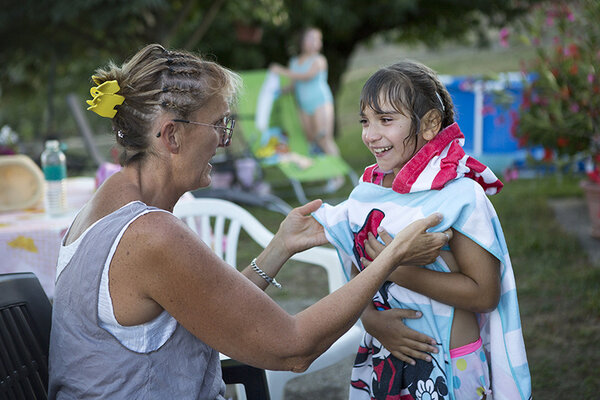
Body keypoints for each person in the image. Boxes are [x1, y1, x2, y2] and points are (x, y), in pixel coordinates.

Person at [47, 44, 451, 399]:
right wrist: (392, 255)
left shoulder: (103, 206)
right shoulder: (151, 234)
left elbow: (205, 303)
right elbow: (292, 348)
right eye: (220, 125)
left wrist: (280, 248)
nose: (224, 141)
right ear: (172, 136)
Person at [312, 60, 532, 399]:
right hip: (384, 359)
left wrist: (397, 270)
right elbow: (357, 272)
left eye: (385, 120)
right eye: (365, 121)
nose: (370, 134)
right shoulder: (368, 194)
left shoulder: (459, 196)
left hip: (449, 368)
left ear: (429, 124)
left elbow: (485, 294)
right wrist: (371, 321)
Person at [269, 27, 345, 190]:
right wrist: (276, 92)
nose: (314, 42)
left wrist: (281, 70)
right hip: (304, 105)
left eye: (317, 39)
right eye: (310, 38)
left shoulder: (319, 60)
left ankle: (338, 176)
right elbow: (293, 84)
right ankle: (320, 173)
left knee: (324, 139)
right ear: (303, 41)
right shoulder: (294, 63)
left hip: (320, 102)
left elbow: (307, 76)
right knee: (311, 140)